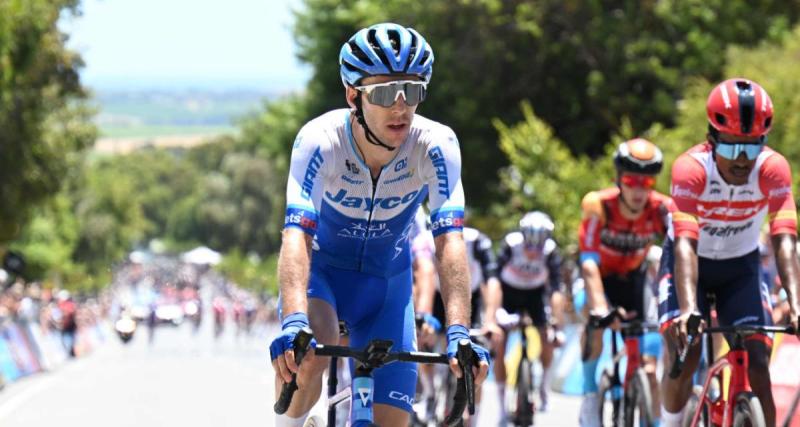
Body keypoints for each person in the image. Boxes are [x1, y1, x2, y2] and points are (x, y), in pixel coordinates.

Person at [269, 23, 490, 427]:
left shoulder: (437, 145)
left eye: (413, 90)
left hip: (387, 286)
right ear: (354, 94)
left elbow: (450, 242)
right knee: (308, 356)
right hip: (324, 278)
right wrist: (293, 320)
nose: (401, 107)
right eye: (386, 93)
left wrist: (460, 332)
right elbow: (296, 235)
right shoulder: (320, 141)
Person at [658, 78, 800, 427]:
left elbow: (784, 239)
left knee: (758, 361)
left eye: (751, 148)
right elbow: (686, 245)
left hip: (741, 268)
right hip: (689, 264)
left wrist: (796, 304)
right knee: (687, 353)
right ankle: (669, 421)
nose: (741, 159)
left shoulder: (773, 169)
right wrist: (689, 309)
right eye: (732, 146)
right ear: (712, 139)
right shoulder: (691, 170)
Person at [577, 138, 672, 427]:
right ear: (619, 179)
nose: (639, 189)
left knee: (649, 368)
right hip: (600, 279)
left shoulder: (662, 209)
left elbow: (679, 252)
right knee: (594, 324)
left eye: (648, 182)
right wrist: (600, 307)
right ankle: (590, 394)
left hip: (635, 280)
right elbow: (589, 262)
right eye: (632, 180)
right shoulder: (598, 205)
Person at [411, 207, 503, 426]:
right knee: (423, 338)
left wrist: (490, 319)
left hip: (469, 297)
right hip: (435, 296)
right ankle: (431, 393)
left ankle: (474, 418)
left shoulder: (478, 241)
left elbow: (492, 282)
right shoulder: (425, 239)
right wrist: (422, 316)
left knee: (476, 358)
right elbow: (423, 277)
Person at [495, 211, 563, 415]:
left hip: (535, 294)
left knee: (548, 339)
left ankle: (544, 388)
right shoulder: (511, 244)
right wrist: (494, 314)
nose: (534, 253)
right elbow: (493, 282)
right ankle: (501, 406)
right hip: (508, 293)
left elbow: (556, 290)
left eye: (538, 248)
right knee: (499, 344)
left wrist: (557, 327)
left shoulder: (551, 251)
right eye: (530, 247)